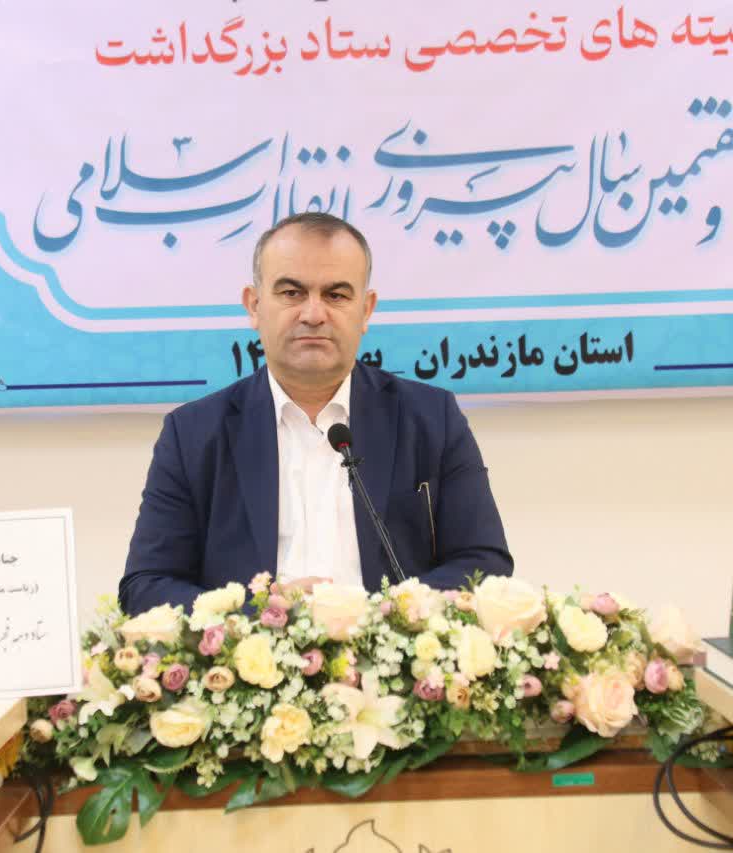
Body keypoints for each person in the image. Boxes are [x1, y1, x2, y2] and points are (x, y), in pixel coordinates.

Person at [119, 212, 512, 614]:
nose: (313, 314)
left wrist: (382, 617)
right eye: (292, 293)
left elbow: (485, 564)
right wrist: (262, 616)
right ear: (254, 306)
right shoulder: (193, 433)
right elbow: (146, 586)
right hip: (252, 650)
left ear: (366, 310)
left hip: (391, 646)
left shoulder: (431, 419)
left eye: (336, 295)